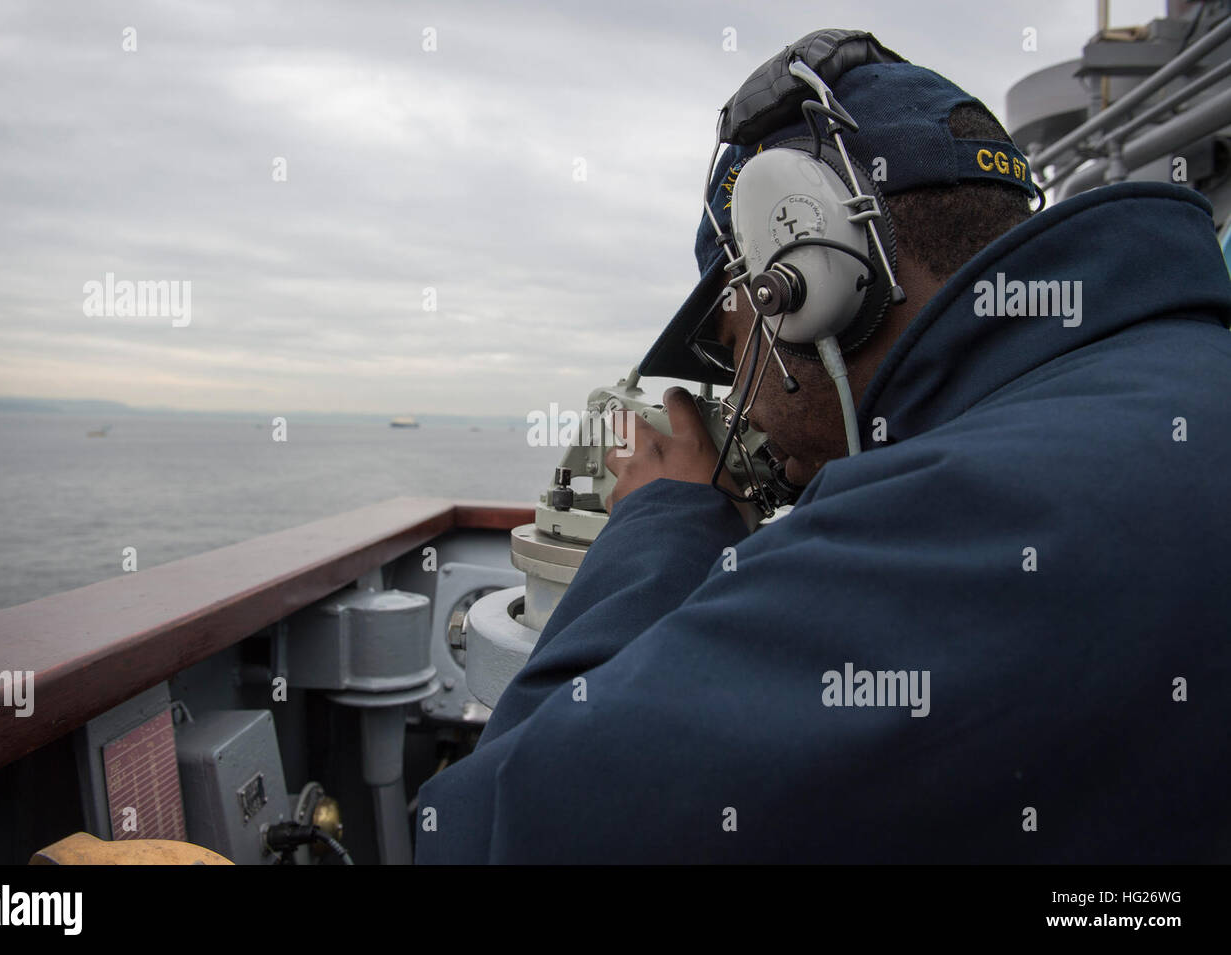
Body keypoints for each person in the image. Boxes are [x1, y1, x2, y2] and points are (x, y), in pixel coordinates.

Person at [415, 30, 1231, 863]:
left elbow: (491, 831)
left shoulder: (949, 520)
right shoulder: (1173, 377)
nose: (738, 402)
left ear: (806, 286)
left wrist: (660, 522)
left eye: (728, 350)